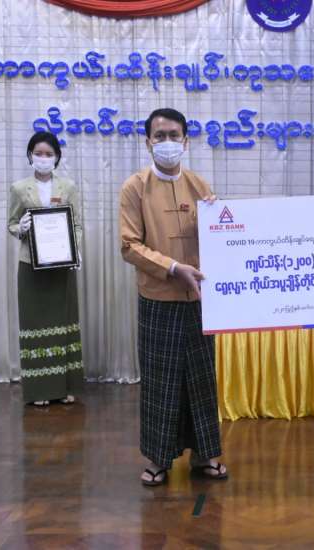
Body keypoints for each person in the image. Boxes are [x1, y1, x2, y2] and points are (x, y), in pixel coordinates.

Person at [119, 107, 227, 487]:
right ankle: (158, 459)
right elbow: (129, 246)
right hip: (158, 297)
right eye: (160, 136)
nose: (167, 142)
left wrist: (223, 223)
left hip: (198, 299)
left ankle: (204, 455)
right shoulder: (135, 187)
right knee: (160, 382)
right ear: (148, 142)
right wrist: (173, 268)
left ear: (186, 141)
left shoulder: (200, 186)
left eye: (174, 135)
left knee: (201, 380)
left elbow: (220, 237)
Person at [8, 131, 84, 406]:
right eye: (38, 153)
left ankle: (65, 387)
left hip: (61, 265)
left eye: (48, 154)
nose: (43, 158)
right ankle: (39, 390)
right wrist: (21, 228)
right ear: (30, 156)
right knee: (35, 322)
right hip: (31, 265)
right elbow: (11, 223)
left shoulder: (68, 187)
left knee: (63, 322)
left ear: (57, 157)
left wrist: (74, 248)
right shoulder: (19, 188)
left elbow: (76, 224)